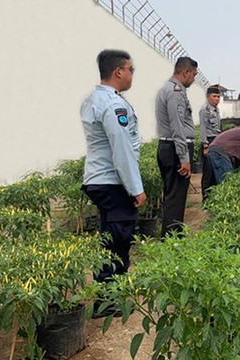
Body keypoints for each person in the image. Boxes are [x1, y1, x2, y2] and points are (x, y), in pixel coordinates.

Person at [80, 49, 146, 315]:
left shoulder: (94, 99)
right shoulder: (113, 105)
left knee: (110, 238)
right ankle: (107, 303)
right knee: (117, 241)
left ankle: (108, 297)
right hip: (112, 181)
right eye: (131, 69)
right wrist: (136, 188)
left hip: (100, 178)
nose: (132, 74)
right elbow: (122, 150)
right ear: (119, 71)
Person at [155, 57, 198, 238]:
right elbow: (178, 127)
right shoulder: (175, 92)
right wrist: (184, 158)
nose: (194, 79)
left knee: (172, 196)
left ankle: (172, 238)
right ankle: (173, 240)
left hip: (168, 147)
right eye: (194, 75)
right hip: (175, 148)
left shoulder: (167, 89)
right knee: (176, 199)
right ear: (185, 72)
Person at [199, 85, 222, 168]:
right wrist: (205, 145)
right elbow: (203, 127)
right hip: (209, 140)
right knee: (208, 167)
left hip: (216, 139)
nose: (217, 99)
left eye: (218, 97)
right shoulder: (205, 110)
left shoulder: (216, 110)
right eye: (214, 96)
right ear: (208, 97)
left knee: (215, 166)